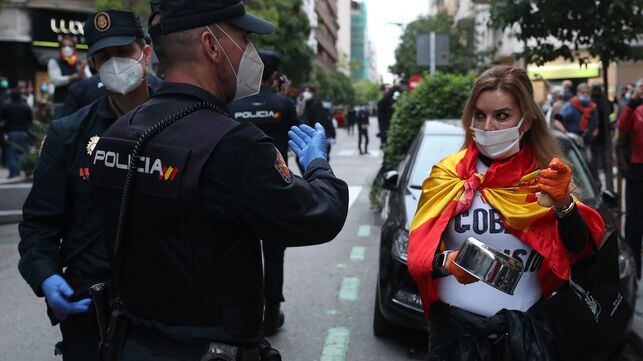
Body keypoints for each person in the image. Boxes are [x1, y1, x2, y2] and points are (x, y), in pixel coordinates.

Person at [88, 1, 349, 359]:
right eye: (243, 38)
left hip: (134, 344)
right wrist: (318, 165)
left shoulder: (117, 134)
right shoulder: (233, 145)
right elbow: (320, 216)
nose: (249, 53)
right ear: (212, 45)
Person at [407, 66, 605, 360]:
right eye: (480, 115)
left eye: (502, 116)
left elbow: (580, 251)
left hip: (525, 335)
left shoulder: (546, 178)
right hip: (455, 335)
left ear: (525, 121)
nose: (488, 126)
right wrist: (447, 263)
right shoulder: (447, 176)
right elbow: (419, 258)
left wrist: (565, 204)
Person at [17, 10, 155, 361]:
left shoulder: (182, 119)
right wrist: (45, 275)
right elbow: (38, 224)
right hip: (92, 311)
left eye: (124, 52)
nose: (115, 64)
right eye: (104, 57)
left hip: (166, 309)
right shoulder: (69, 134)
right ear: (93, 65)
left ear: (146, 53)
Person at [228, 49, 300, 335]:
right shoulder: (284, 103)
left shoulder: (231, 105)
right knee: (273, 254)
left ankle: (241, 313)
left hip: (235, 187)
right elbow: (298, 139)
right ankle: (271, 313)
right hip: (273, 187)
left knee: (237, 250)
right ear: (274, 76)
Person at [617, 78, 643, 279]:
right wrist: (632, 101)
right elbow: (622, 125)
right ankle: (635, 272)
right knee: (635, 221)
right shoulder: (634, 109)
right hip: (637, 168)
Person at [48, 36, 92, 118]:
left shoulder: (80, 63)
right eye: (64, 46)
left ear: (74, 48)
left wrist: (84, 70)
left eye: (70, 46)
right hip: (61, 105)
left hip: (78, 105)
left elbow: (89, 80)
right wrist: (76, 76)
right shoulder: (54, 62)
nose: (67, 48)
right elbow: (56, 80)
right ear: (60, 48)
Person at [1, 89, 33, 178]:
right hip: (24, 133)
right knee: (23, 152)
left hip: (11, 133)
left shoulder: (6, 106)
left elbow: (3, 120)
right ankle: (26, 171)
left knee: (11, 154)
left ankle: (14, 173)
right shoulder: (26, 106)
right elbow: (30, 120)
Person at [558, 82, 599, 147]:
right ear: (577, 93)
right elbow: (557, 120)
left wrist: (592, 134)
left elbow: (596, 125)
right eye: (583, 92)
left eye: (587, 93)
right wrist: (566, 133)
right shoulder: (570, 105)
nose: (585, 94)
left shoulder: (593, 107)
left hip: (587, 143)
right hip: (572, 143)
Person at [303, 86, 336, 158]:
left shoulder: (317, 106)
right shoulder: (303, 106)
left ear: (313, 93)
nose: (306, 93)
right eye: (305, 91)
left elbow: (327, 120)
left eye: (308, 91)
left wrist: (332, 134)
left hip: (318, 137)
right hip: (309, 139)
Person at [589, 82, 611, 187]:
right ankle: (608, 185)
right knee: (606, 162)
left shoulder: (591, 102)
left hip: (594, 136)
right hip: (604, 136)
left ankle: (597, 185)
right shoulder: (605, 101)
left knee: (594, 164)